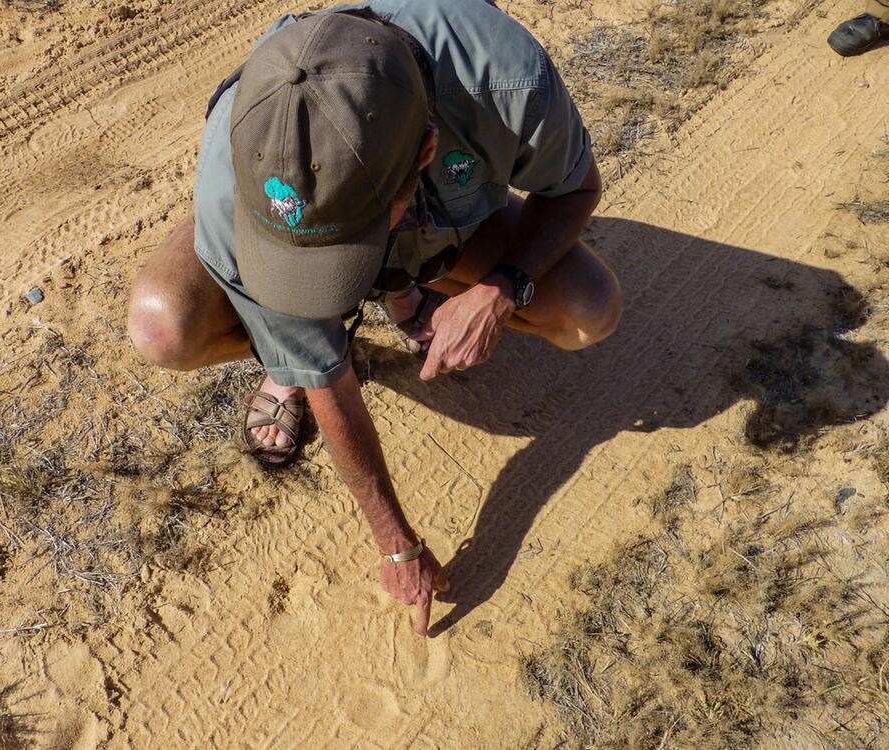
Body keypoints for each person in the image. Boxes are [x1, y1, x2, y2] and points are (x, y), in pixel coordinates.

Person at [127, 1, 621, 636]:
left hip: (442, 229)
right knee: (163, 327)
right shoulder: (231, 158)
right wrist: (396, 540)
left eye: (350, 246)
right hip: (299, 213)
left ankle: (401, 292)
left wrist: (501, 289)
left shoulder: (504, 79)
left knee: (588, 309)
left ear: (425, 152)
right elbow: (330, 378)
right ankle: (285, 345)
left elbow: (577, 191)